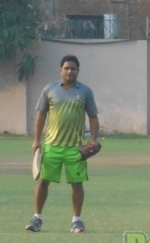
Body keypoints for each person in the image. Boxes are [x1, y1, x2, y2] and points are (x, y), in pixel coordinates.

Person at [26, 54, 100, 233]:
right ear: (61, 70)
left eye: (73, 68)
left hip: (75, 148)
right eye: (66, 68)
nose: (69, 71)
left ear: (78, 71)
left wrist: (93, 140)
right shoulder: (49, 89)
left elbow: (93, 117)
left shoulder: (85, 92)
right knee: (43, 182)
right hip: (52, 146)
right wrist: (36, 140)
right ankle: (37, 219)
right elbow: (41, 115)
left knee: (77, 184)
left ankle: (76, 221)